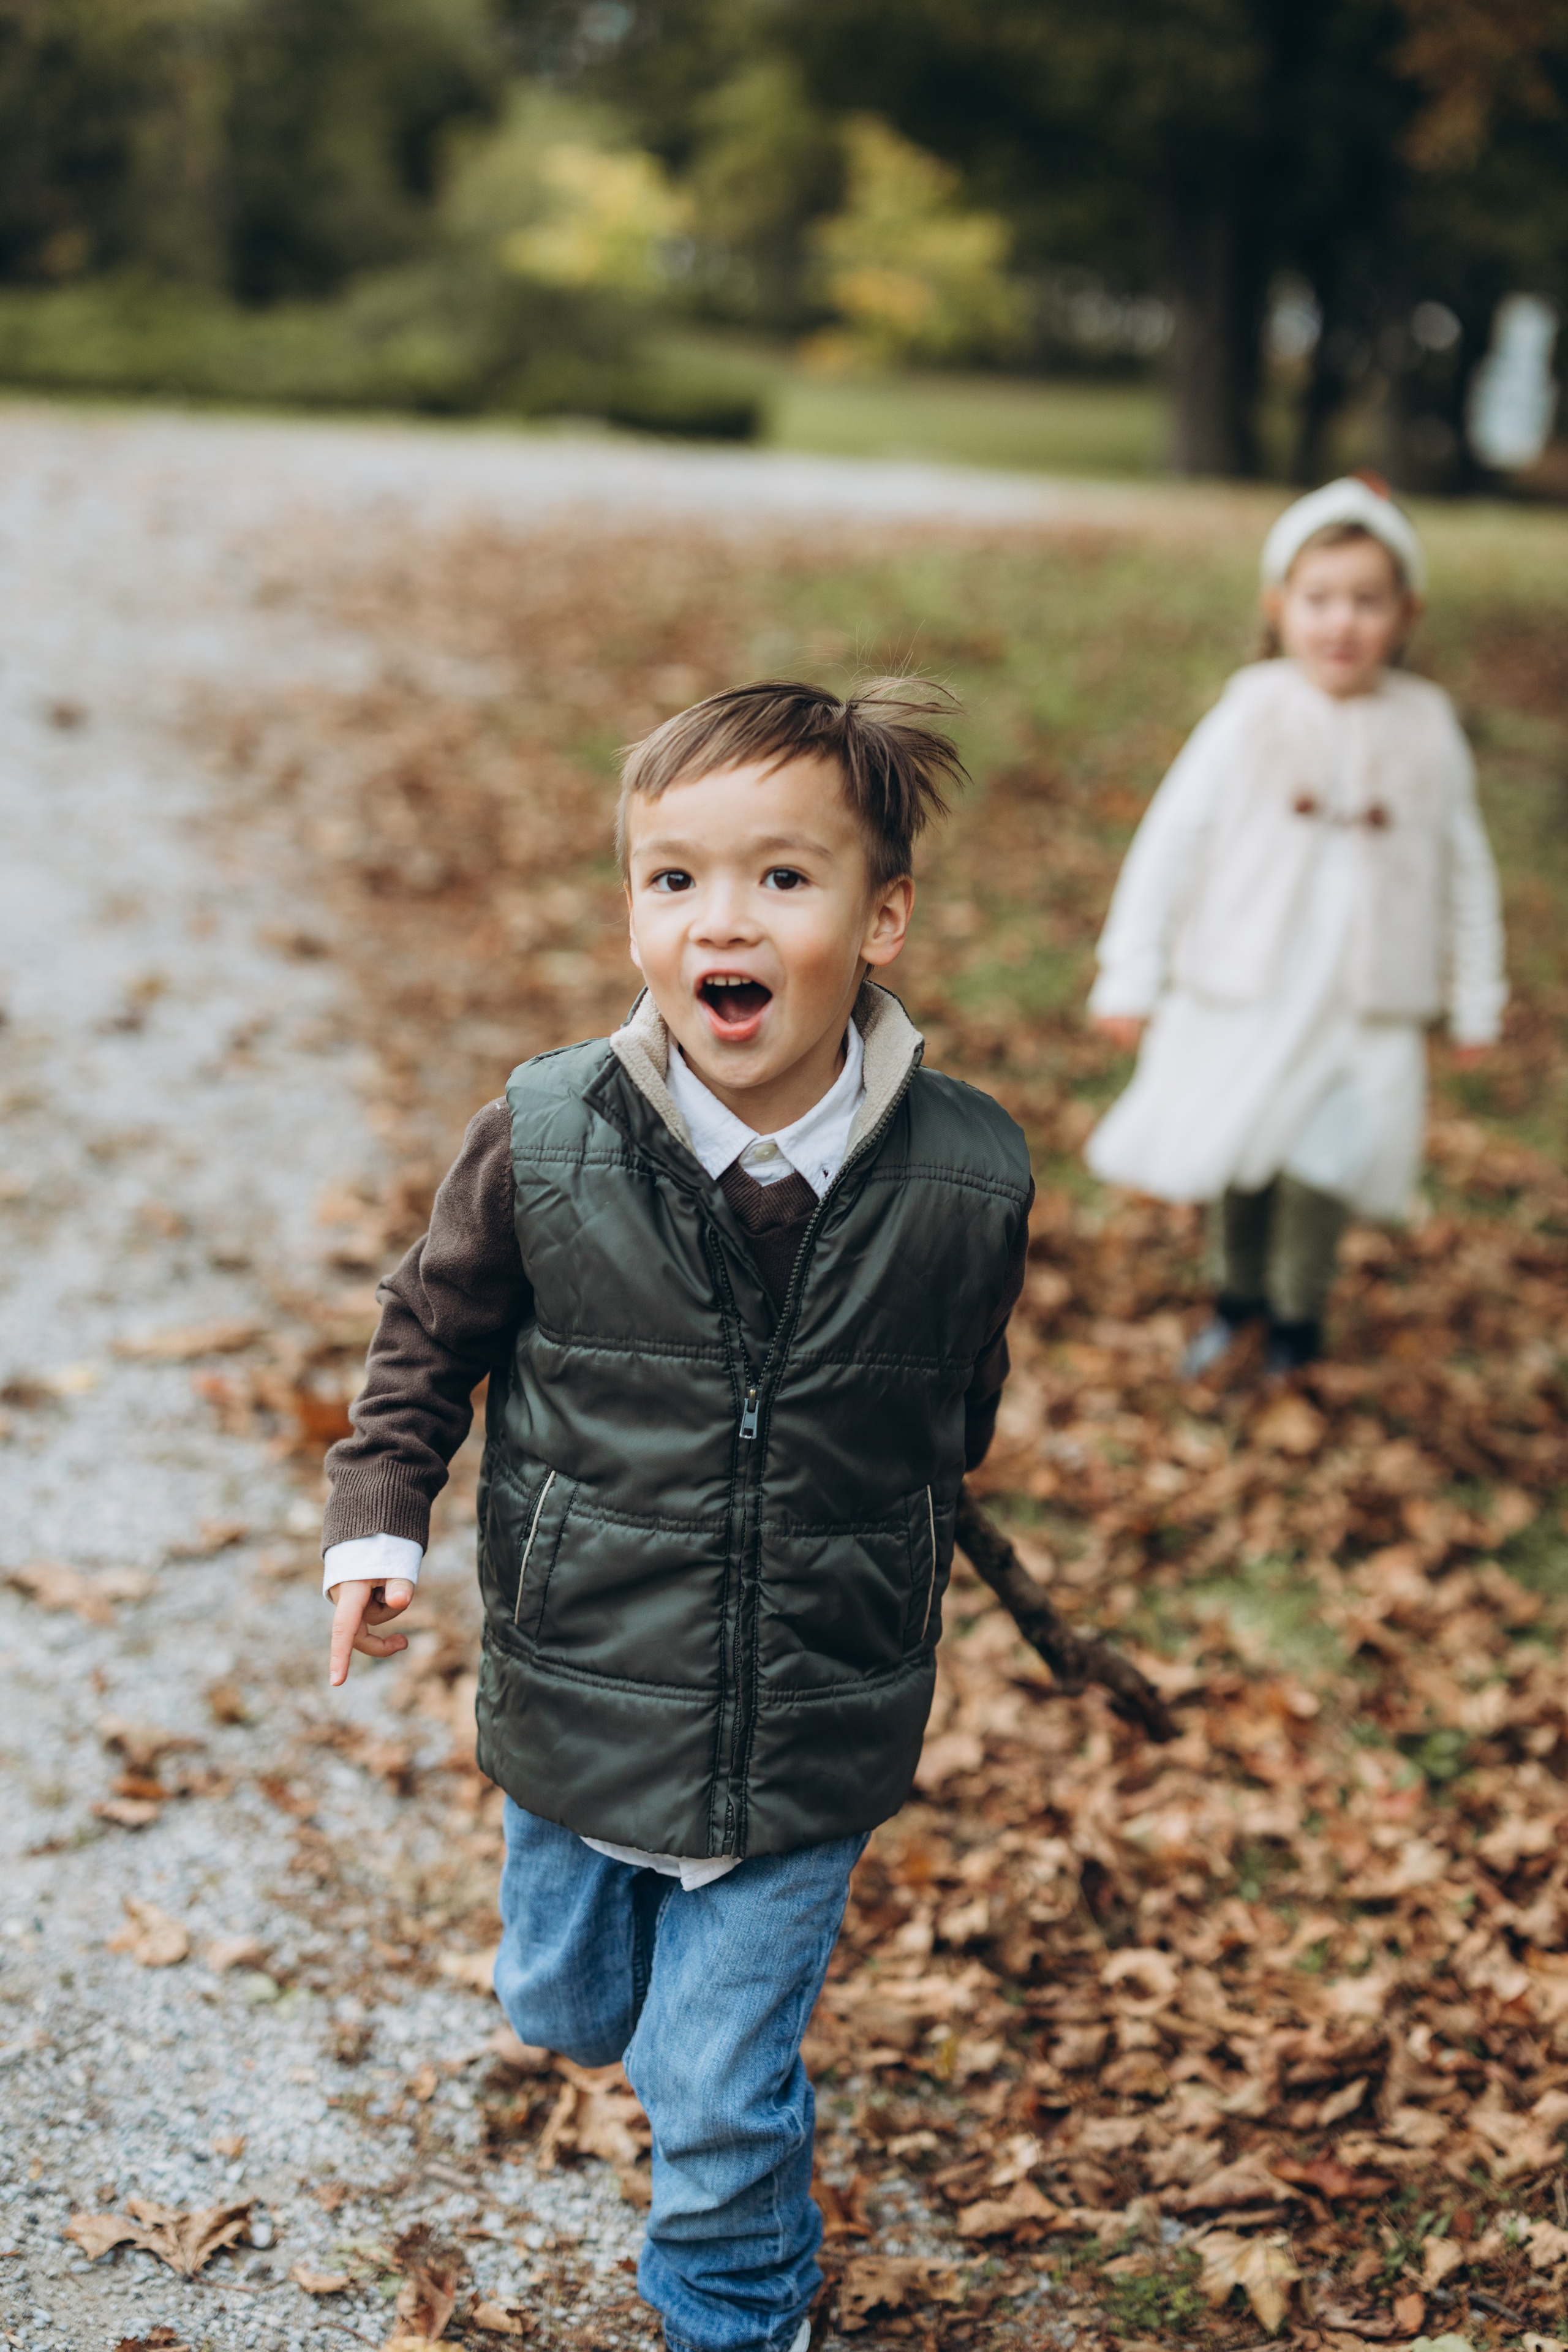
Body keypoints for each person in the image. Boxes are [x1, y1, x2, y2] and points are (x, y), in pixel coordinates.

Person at [320, 678, 1033, 2352]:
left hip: (814, 1711)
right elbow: (432, 1328)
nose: (724, 918)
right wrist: (379, 1517)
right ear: (635, 909)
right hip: (589, 1681)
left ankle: (737, 2310)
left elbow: (958, 1397)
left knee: (714, 2085)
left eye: (785, 879)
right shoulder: (554, 1133)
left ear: (886, 919)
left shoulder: (968, 1175)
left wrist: (897, 1513)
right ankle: (608, 1985)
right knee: (564, 2008)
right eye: (674, 879)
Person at [1085, 475, 1506, 1378]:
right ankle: (1233, 1297)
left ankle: (1295, 1321)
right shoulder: (1251, 713)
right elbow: (1173, 842)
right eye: (1319, 600)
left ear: (1406, 612)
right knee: (1246, 1153)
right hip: (1250, 988)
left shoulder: (1428, 726)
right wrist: (1132, 972)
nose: (1342, 623)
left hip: (1365, 1006)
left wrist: (1477, 999)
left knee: (1328, 1163)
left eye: (1367, 601)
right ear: (1280, 607)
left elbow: (1466, 871)